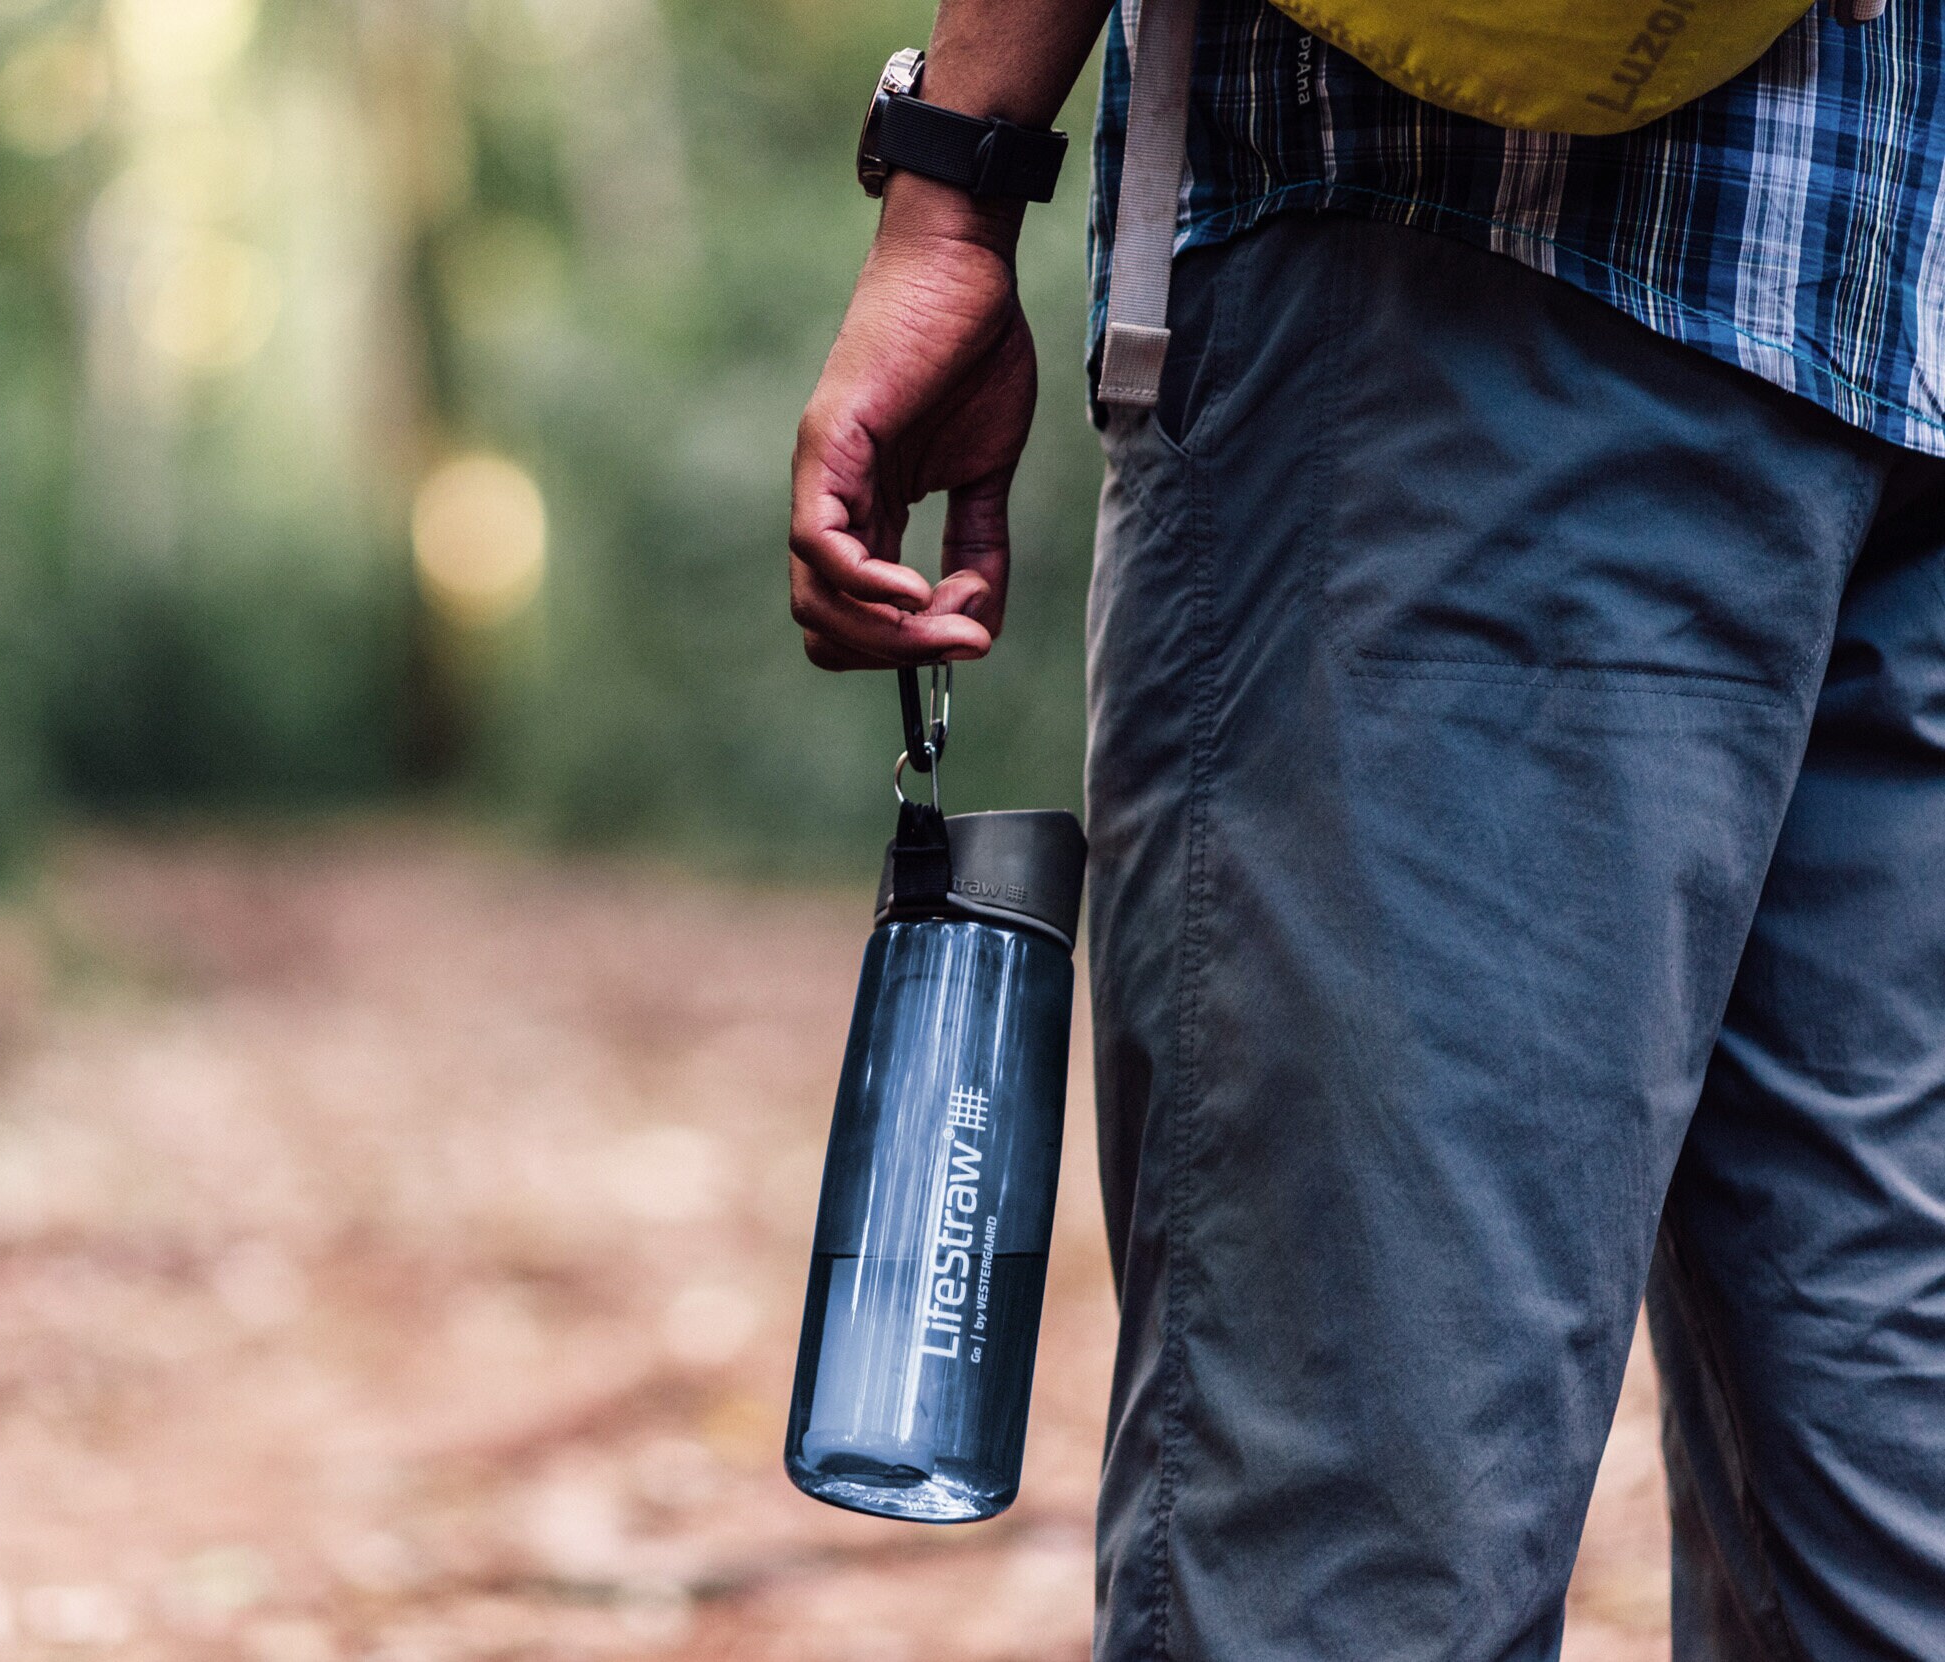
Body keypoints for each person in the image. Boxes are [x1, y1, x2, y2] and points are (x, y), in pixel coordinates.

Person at [788, 2, 1945, 1658]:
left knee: (1353, 1565)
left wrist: (953, 178)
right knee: (1894, 1545)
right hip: (1904, 316)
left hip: (1451, 263)